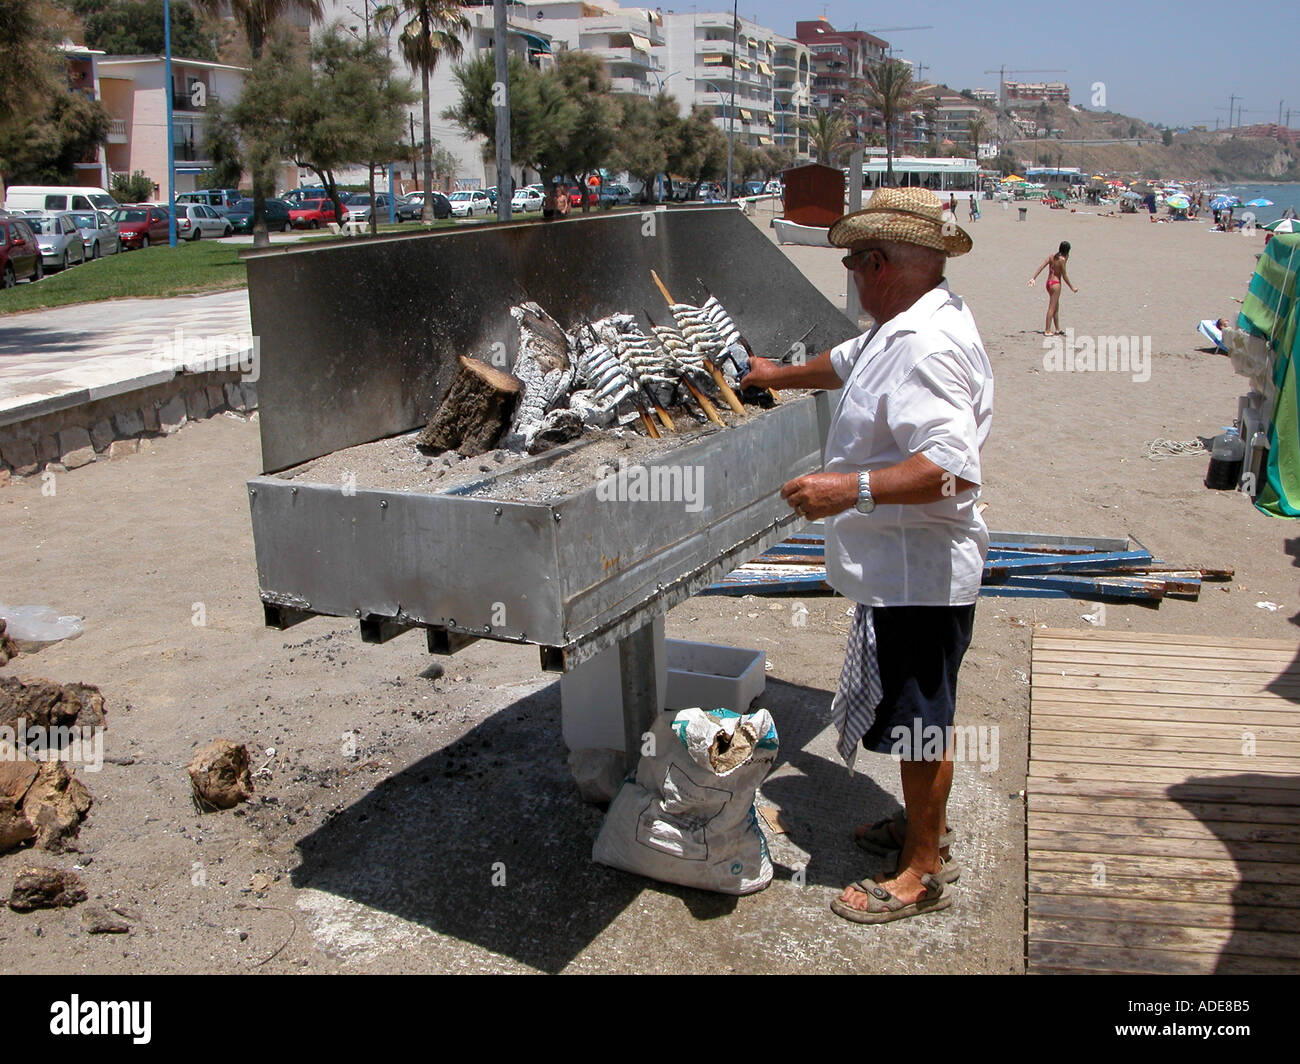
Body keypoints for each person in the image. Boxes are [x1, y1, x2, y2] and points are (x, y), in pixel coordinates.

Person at [740, 188, 992, 924]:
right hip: (904, 565)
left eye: (854, 263)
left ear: (881, 264)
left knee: (922, 722)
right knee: (919, 713)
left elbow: (954, 470)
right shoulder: (913, 318)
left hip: (921, 571)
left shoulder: (924, 345)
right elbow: (849, 360)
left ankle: (922, 869)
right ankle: (925, 828)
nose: (850, 275)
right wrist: (774, 375)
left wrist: (847, 488)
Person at [1028, 240, 1078, 336]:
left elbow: (1041, 266)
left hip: (1048, 283)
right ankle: (1047, 330)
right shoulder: (1062, 260)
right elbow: (1064, 275)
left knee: (1056, 306)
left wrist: (1034, 278)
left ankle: (1057, 329)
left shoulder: (1052, 256)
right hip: (1055, 284)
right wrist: (1072, 287)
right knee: (1052, 307)